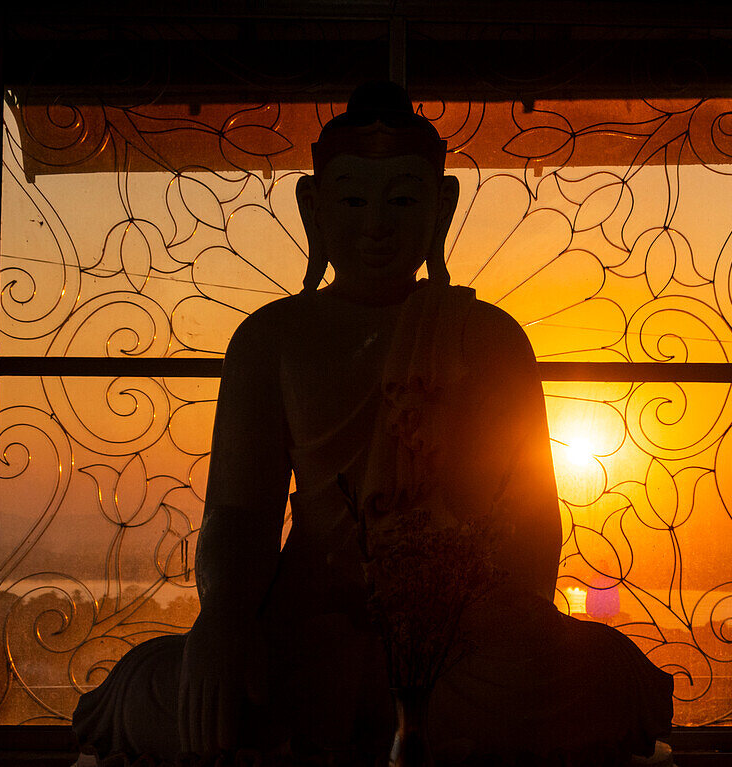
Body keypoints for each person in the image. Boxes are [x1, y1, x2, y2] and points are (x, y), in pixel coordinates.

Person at [72, 82, 673, 766]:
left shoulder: (491, 338)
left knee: (601, 674)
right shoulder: (273, 339)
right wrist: (226, 617)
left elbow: (533, 523)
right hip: (309, 626)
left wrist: (497, 623)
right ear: (314, 208)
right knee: (168, 685)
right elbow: (240, 514)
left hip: (461, 642)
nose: (377, 224)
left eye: (403, 200)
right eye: (354, 199)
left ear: (440, 210)